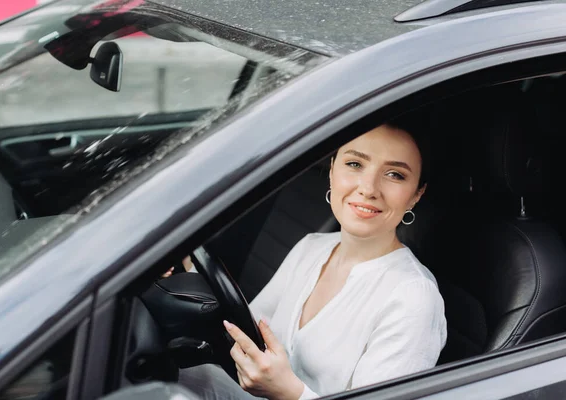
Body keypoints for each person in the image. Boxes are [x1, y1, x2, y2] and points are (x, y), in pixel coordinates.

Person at [168, 117, 447, 400]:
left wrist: (289, 392)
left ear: (416, 195)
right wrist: (185, 270)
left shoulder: (414, 297)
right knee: (167, 372)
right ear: (332, 170)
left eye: (395, 175)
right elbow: (247, 330)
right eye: (354, 164)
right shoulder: (312, 247)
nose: (368, 188)